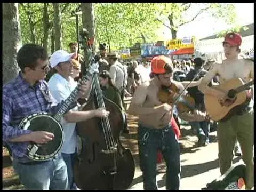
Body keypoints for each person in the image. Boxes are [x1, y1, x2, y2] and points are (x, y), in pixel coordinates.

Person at [3, 44, 87, 190]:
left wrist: (76, 98)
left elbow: (54, 110)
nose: (48, 70)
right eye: (43, 68)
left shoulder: (43, 85)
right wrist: (31, 135)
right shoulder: (8, 93)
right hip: (32, 164)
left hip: (55, 156)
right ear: (27, 69)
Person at [198, 32, 254, 189]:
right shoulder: (218, 66)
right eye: (225, 45)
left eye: (231, 46)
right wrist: (220, 94)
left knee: (248, 156)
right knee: (224, 158)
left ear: (238, 48)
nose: (227, 49)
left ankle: (249, 186)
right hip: (224, 116)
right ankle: (227, 187)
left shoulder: (249, 65)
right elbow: (202, 85)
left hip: (246, 115)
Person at [48, 50, 110, 190]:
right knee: (66, 182)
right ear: (57, 67)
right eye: (66, 62)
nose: (71, 64)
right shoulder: (55, 85)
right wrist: (95, 112)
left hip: (73, 140)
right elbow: (68, 116)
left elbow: (83, 96)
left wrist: (90, 77)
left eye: (71, 61)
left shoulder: (68, 80)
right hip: (62, 144)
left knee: (74, 181)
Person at [127, 55, 181, 190]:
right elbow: (132, 110)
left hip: (167, 130)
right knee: (149, 173)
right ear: (156, 75)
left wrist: (197, 115)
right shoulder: (145, 88)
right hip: (148, 133)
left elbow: (185, 110)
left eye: (171, 76)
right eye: (165, 77)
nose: (169, 80)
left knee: (175, 168)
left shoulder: (174, 86)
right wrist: (157, 109)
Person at [184, 57, 210, 146]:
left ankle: (200, 134)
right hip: (205, 99)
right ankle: (206, 138)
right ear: (203, 63)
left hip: (193, 99)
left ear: (194, 63)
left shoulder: (190, 73)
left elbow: (186, 85)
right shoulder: (207, 74)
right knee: (205, 119)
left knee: (194, 118)